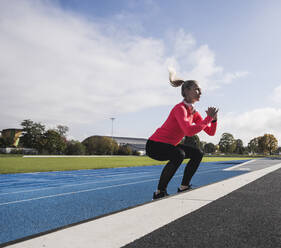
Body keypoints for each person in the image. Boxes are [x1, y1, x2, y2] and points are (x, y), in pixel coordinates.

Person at [146, 68, 219, 200]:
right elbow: (188, 131)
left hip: (169, 145)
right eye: (197, 89)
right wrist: (208, 118)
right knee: (179, 154)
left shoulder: (193, 112)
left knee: (197, 153)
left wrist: (213, 120)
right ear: (186, 91)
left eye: (201, 90)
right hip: (155, 145)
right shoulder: (180, 109)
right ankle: (159, 192)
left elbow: (210, 132)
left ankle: (184, 187)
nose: (200, 92)